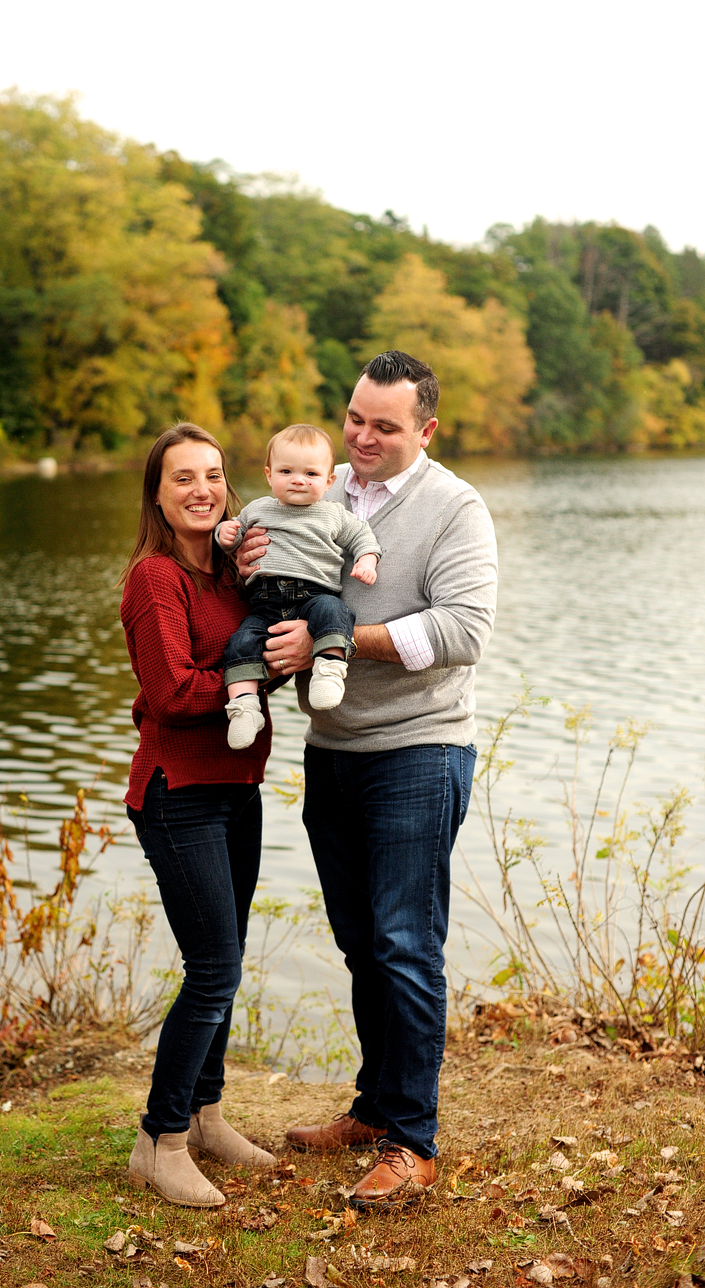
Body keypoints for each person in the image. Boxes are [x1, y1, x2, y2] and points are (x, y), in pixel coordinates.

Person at [237, 351, 497, 1207]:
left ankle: (411, 1141)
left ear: (425, 428)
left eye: (384, 425)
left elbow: (462, 630)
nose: (362, 437)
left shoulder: (456, 507)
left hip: (422, 747)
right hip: (334, 748)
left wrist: (337, 640)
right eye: (355, 418)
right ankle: (372, 1105)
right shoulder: (317, 486)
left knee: (403, 941)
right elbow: (272, 583)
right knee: (359, 940)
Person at [119, 422, 277, 1208]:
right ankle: (161, 1139)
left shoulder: (231, 576)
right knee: (211, 967)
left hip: (236, 786)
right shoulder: (155, 579)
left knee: (229, 958)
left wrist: (275, 661)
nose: (202, 489)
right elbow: (177, 693)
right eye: (183, 477)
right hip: (177, 791)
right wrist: (247, 679)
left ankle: (207, 1114)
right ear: (158, 491)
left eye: (213, 475)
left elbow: (267, 657)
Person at [215, 424, 382, 749]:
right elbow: (233, 534)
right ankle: (245, 708)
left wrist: (366, 560)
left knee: (335, 613)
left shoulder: (333, 514)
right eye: (286, 470)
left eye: (311, 473)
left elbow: (364, 537)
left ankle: (329, 670)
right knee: (241, 642)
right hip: (265, 603)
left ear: (328, 481)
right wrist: (224, 535)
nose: (298, 479)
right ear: (269, 474)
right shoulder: (258, 509)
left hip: (314, 596)